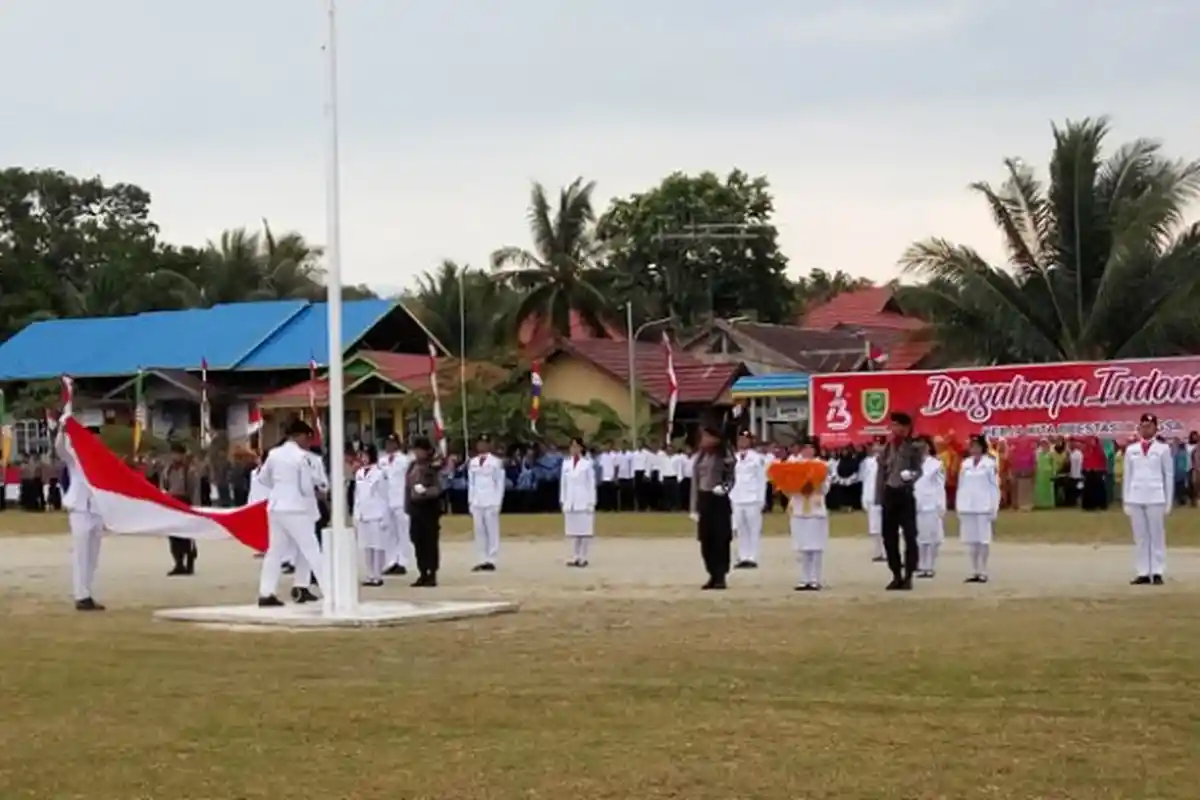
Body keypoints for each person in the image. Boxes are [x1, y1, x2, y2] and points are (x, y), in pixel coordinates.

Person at [255, 418, 324, 607]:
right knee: (312, 550)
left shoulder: (274, 454)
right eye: (307, 437)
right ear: (299, 436)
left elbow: (263, 478)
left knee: (275, 552)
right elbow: (306, 487)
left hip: (276, 505)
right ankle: (331, 591)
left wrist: (280, 488)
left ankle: (266, 592)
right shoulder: (301, 457)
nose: (308, 441)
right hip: (297, 508)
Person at [56, 422, 106, 611]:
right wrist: (61, 429)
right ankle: (81, 595)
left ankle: (87, 593)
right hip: (80, 509)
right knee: (81, 553)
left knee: (92, 556)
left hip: (97, 510)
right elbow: (59, 448)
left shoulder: (103, 459)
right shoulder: (75, 457)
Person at [1123, 413, 1173, 585]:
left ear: (1156, 428)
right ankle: (1143, 571)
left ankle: (1157, 571)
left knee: (1156, 535)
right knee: (1140, 536)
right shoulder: (1131, 450)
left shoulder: (1163, 449)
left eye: (1150, 426)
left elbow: (1168, 475)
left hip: (1155, 496)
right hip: (1136, 496)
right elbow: (1127, 476)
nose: (1146, 429)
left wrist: (1168, 501)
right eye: (1143, 425)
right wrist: (1126, 500)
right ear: (1139, 427)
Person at [874, 411, 922, 591]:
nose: (897, 429)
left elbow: (919, 470)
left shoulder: (914, 447)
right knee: (889, 537)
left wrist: (911, 476)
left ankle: (909, 575)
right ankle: (896, 574)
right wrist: (879, 497)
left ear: (907, 428)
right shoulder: (887, 446)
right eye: (894, 425)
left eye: (901, 426)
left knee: (910, 536)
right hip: (890, 494)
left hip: (905, 493)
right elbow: (881, 472)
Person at [689, 425, 735, 590]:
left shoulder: (724, 454)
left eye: (707, 437)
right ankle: (712, 573)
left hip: (719, 499)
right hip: (704, 498)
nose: (704, 440)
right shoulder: (700, 456)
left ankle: (721, 575)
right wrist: (694, 507)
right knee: (706, 539)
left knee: (720, 538)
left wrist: (724, 487)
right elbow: (695, 482)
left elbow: (731, 476)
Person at [787, 437, 831, 591]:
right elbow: (787, 487)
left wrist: (813, 484)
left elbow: (826, 488)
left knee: (816, 546)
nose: (807, 451)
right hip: (799, 508)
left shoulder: (822, 465)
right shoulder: (793, 465)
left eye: (810, 448)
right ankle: (804, 578)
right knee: (802, 546)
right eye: (804, 448)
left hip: (815, 508)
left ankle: (815, 579)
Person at [956, 434, 1000, 584]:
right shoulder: (965, 464)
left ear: (982, 447)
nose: (974, 449)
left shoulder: (990, 464)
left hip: (984, 505)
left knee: (983, 540)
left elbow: (994, 487)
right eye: (972, 446)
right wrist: (959, 505)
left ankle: (983, 570)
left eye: (976, 446)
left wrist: (994, 506)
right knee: (971, 540)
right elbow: (961, 485)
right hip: (968, 506)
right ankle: (974, 570)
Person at [406, 436, 444, 587]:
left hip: (429, 507)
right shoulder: (412, 466)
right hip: (415, 507)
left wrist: (425, 491)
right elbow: (407, 487)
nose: (417, 453)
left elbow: (439, 488)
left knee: (430, 541)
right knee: (417, 539)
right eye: (415, 450)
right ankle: (422, 571)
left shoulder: (433, 466)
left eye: (419, 450)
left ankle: (432, 573)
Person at [468, 434, 505, 572]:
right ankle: (481, 558)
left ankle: (492, 558)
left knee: (492, 530)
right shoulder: (473, 462)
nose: (481, 446)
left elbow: (499, 483)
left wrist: (497, 502)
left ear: (489, 445)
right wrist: (470, 501)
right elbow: (471, 483)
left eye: (484, 443)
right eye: (479, 443)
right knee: (479, 530)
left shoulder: (496, 462)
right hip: (477, 500)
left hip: (491, 500)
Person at [160, 442, 199, 576]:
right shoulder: (168, 469)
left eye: (178, 454)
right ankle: (178, 562)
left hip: (185, 502)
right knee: (173, 535)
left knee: (187, 535)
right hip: (172, 502)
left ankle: (189, 563)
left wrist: (194, 508)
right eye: (173, 454)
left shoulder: (189, 470)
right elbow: (164, 486)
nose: (175, 456)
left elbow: (194, 489)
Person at [353, 445, 390, 587]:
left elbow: (385, 495)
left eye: (365, 455)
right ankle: (370, 574)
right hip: (363, 513)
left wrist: (385, 516)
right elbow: (357, 496)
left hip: (377, 514)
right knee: (366, 546)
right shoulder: (359, 473)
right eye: (361, 455)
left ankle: (377, 575)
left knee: (378, 546)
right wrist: (356, 515)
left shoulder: (380, 473)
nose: (362, 457)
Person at [730, 430, 767, 569]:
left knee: (753, 529)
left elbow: (761, 479)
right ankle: (743, 556)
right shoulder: (734, 457)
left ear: (751, 441)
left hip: (752, 497)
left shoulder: (757, 458)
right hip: (737, 497)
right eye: (740, 439)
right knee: (740, 529)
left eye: (745, 439)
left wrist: (761, 499)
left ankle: (752, 556)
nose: (742, 442)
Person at [560, 436, 597, 567]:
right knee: (574, 531)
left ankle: (583, 557)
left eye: (576, 446)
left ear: (581, 448)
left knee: (585, 531)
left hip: (583, 498)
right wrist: (563, 500)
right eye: (572, 446)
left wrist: (591, 502)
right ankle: (575, 556)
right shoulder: (566, 464)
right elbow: (563, 484)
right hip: (571, 500)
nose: (574, 449)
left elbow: (591, 484)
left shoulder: (587, 464)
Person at [379, 433, 412, 576]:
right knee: (389, 533)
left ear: (398, 444)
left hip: (401, 499)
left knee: (403, 532)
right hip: (386, 500)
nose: (389, 446)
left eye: (392, 443)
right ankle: (391, 561)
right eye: (387, 443)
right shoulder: (382, 461)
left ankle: (402, 562)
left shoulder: (405, 460)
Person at [913, 436, 946, 578]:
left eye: (923, 445)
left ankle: (930, 566)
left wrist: (941, 504)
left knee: (932, 537)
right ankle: (921, 565)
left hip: (931, 504)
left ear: (928, 447)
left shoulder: (935, 464)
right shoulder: (910, 463)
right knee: (919, 537)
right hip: (914, 504)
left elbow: (940, 485)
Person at [858, 440, 884, 562]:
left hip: (885, 498)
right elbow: (864, 480)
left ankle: (887, 552)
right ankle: (878, 551)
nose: (877, 448)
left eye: (880, 446)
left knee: (887, 526)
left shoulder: (889, 461)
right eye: (875, 446)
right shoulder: (867, 463)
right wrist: (864, 497)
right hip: (871, 497)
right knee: (874, 527)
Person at [1033, 439, 1055, 509]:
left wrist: (1053, 472)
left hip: (1048, 472)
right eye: (1042, 443)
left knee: (1048, 489)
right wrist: (1035, 471)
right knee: (1040, 488)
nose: (1044, 445)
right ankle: (1039, 504)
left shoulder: (1051, 453)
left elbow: (1053, 463)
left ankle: (1048, 504)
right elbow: (1036, 463)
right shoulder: (1038, 452)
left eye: (1045, 443)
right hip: (1040, 472)